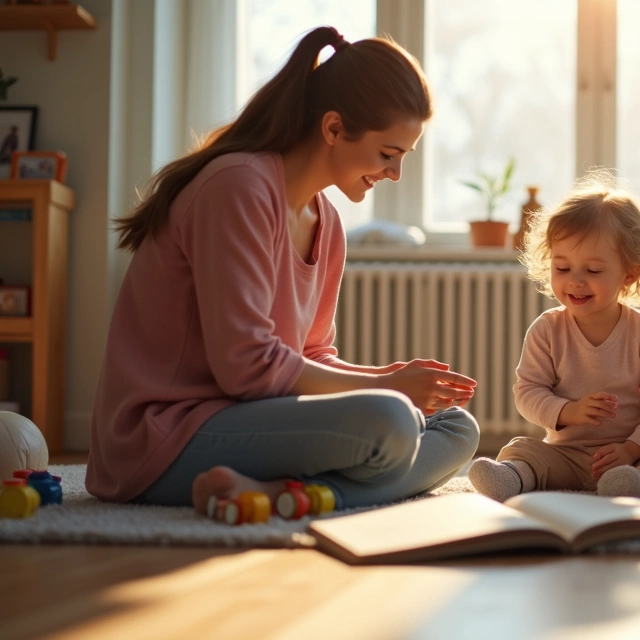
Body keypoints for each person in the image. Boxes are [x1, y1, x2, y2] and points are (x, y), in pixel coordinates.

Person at [87, 27, 480, 513]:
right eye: (387, 154)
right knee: (392, 422)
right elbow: (248, 369)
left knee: (457, 428)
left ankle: (286, 496)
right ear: (334, 129)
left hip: (249, 418)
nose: (394, 174)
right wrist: (386, 388)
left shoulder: (327, 222)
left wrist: (387, 375)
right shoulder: (239, 187)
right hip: (167, 438)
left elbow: (312, 355)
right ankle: (330, 489)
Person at [468, 174, 640, 501]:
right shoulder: (547, 329)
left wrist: (631, 449)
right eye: (562, 268)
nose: (575, 281)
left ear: (629, 274)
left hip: (631, 457)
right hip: (565, 455)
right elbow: (527, 392)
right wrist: (568, 412)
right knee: (521, 449)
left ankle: (639, 484)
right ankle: (512, 477)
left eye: (593, 270)